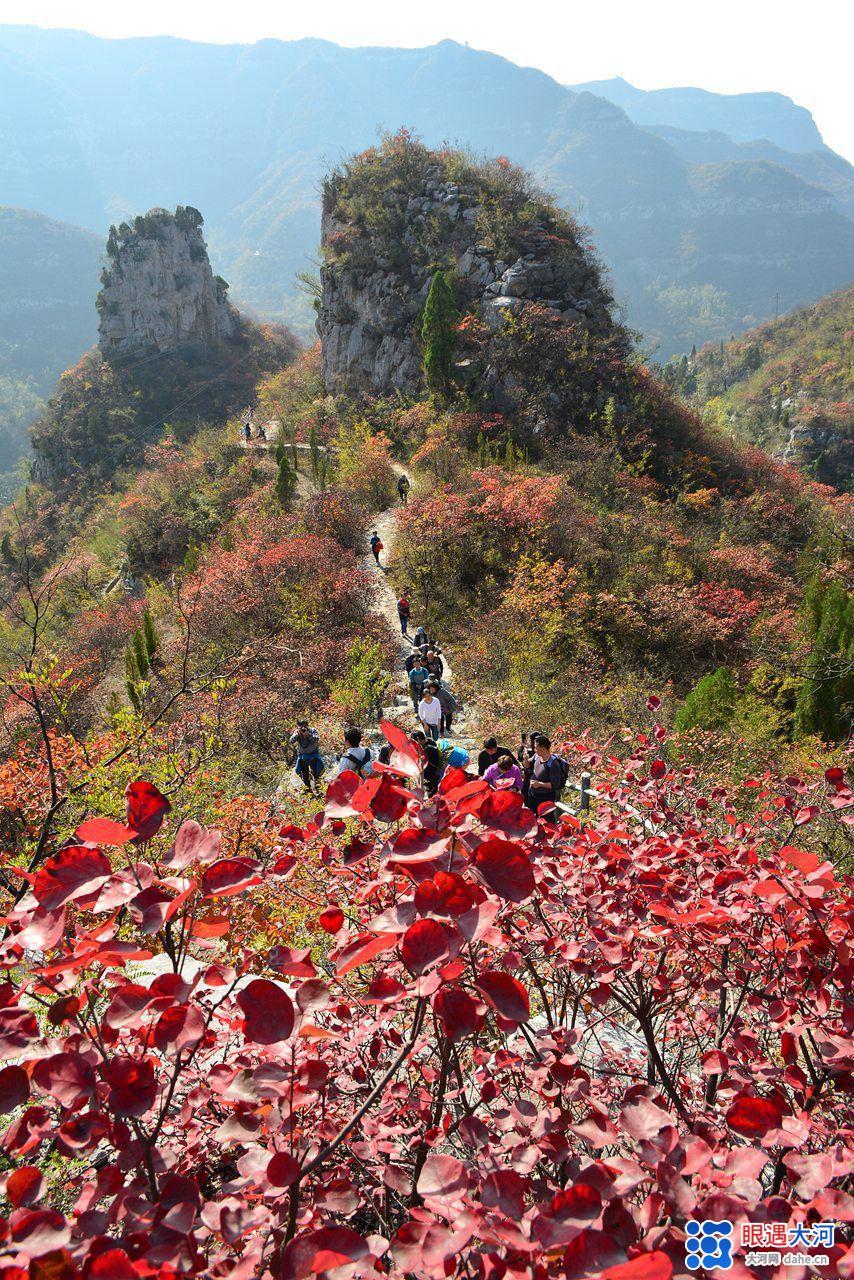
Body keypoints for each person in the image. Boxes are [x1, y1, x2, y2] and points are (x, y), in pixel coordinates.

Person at [527, 735, 564, 810]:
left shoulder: (553, 763)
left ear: (543, 749)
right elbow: (527, 765)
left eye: (536, 748)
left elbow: (555, 785)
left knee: (546, 819)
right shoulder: (537, 757)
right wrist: (525, 759)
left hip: (545, 797)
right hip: (533, 794)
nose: (534, 750)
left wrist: (539, 784)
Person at [289, 721, 324, 793]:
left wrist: (307, 734)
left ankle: (319, 790)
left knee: (316, 773)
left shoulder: (312, 730)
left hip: (313, 756)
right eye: (300, 726)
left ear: (308, 725)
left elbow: (316, 739)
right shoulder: (297, 732)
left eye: (304, 726)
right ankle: (308, 791)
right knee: (304, 775)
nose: (303, 728)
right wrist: (296, 734)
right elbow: (291, 741)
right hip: (303, 757)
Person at [412, 730, 441, 795]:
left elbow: (428, 765)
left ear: (418, 740)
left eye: (415, 742)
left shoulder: (428, 750)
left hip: (431, 775)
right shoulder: (430, 741)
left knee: (431, 793)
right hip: (434, 774)